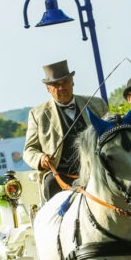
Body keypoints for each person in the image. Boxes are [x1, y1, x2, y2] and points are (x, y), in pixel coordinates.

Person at [24, 60, 109, 201]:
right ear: (48, 89)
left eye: (65, 82)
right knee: (50, 183)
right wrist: (41, 159)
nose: (61, 87)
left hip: (96, 170)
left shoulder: (97, 104)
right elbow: (29, 150)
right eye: (56, 85)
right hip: (61, 176)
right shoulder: (37, 114)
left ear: (72, 82)